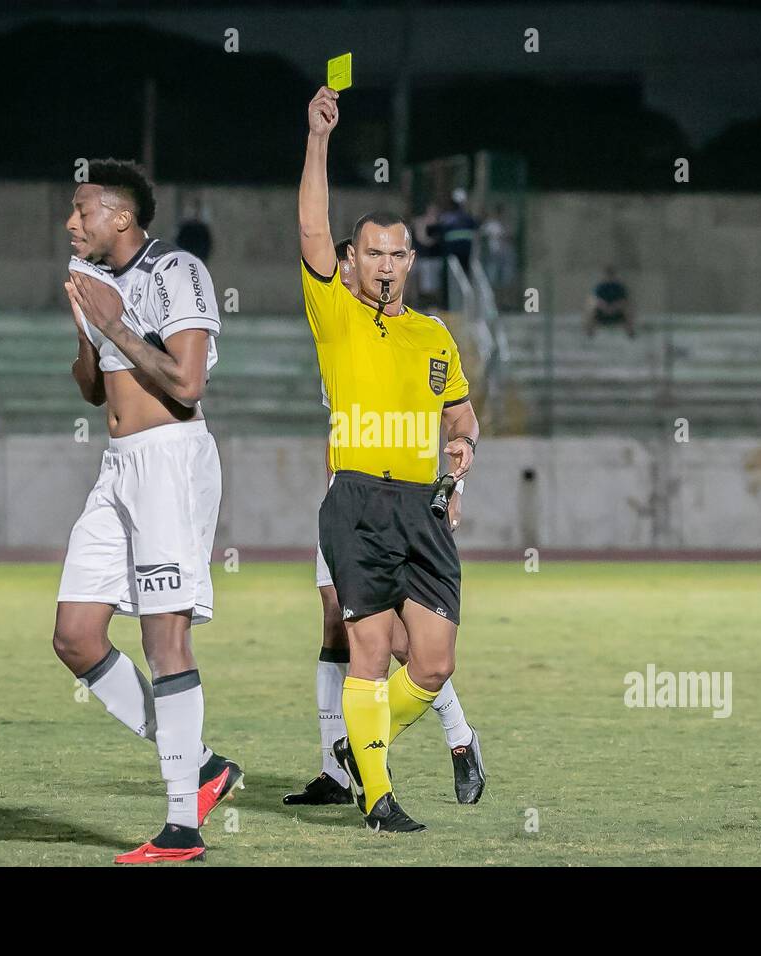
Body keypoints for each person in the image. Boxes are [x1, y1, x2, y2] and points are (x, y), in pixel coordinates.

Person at [298, 86, 482, 832]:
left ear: (411, 258)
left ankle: (361, 748)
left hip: (422, 508)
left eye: (394, 252)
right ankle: (377, 797)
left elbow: (462, 418)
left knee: (431, 663)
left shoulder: (434, 335)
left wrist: (463, 449)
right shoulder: (336, 315)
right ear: (355, 258)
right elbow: (311, 227)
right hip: (358, 502)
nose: (382, 263)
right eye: (370, 251)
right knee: (366, 652)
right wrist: (317, 140)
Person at [55, 159, 241, 864]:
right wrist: (84, 329)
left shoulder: (177, 271)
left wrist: (118, 325)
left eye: (83, 210)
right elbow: (93, 393)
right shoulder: (94, 283)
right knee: (75, 635)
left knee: (166, 644)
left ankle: (181, 829)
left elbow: (188, 384)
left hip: (170, 462)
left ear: (123, 218)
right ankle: (203, 768)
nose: (72, 222)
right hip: (118, 468)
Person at [586, 265, 635, 339]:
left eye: (611, 275)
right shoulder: (600, 287)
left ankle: (631, 335)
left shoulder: (619, 287)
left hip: (617, 312)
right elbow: (594, 299)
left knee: (628, 310)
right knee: (591, 310)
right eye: (607, 275)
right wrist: (604, 306)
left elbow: (624, 300)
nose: (609, 277)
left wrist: (614, 307)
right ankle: (589, 335)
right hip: (602, 312)